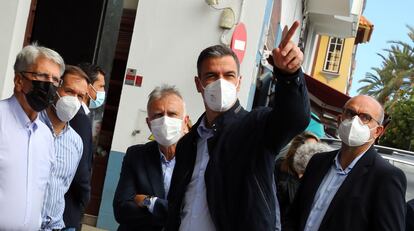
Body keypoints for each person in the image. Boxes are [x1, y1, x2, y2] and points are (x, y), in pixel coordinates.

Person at [165, 21, 310, 231]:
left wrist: (289, 75)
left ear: (239, 82)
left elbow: (295, 118)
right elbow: (178, 202)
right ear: (199, 84)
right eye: (212, 76)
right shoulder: (188, 143)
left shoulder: (256, 127)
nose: (220, 82)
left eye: (229, 75)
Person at [285, 95, 407, 231]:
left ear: (378, 131)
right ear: (339, 120)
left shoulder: (386, 177)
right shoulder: (317, 161)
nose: (355, 121)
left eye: (365, 117)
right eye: (350, 113)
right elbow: (294, 214)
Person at [0, 44, 64, 230]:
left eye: (55, 80)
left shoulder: (45, 136)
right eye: (42, 76)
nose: (49, 85)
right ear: (19, 80)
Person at [113, 85, 189, 231]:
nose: (165, 121)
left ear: (185, 121)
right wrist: (171, 215)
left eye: (172, 114)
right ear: (149, 123)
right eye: (158, 115)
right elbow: (121, 209)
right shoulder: (136, 155)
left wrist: (150, 202)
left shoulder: (196, 158)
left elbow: (189, 213)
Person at [40, 65, 89, 231]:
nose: (74, 100)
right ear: (56, 89)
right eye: (69, 91)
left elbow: (65, 186)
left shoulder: (76, 142)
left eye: (80, 96)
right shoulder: (31, 126)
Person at [63, 63, 106, 230]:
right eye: (101, 86)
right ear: (88, 88)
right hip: (69, 208)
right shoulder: (79, 118)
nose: (103, 91)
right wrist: (84, 199)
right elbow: (81, 168)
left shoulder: (82, 116)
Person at [274, 132, 322, 227]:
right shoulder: (280, 168)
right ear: (297, 149)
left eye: (315, 148)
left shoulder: (315, 176)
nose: (312, 152)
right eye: (309, 148)